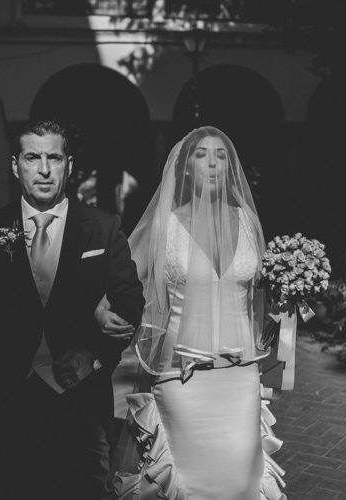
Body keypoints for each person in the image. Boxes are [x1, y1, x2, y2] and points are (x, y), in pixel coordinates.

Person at [0, 119, 144, 499]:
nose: (44, 169)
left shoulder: (103, 228)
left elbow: (129, 303)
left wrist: (92, 356)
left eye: (54, 158)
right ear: (15, 166)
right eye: (32, 157)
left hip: (81, 401)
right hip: (6, 397)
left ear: (68, 165)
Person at [99, 126, 286, 499]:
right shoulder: (164, 225)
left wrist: (295, 289)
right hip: (180, 375)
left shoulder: (248, 222)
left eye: (221, 156)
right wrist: (101, 311)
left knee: (240, 482)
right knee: (192, 481)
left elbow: (263, 300)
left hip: (240, 376)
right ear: (185, 168)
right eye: (202, 155)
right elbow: (119, 283)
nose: (213, 163)